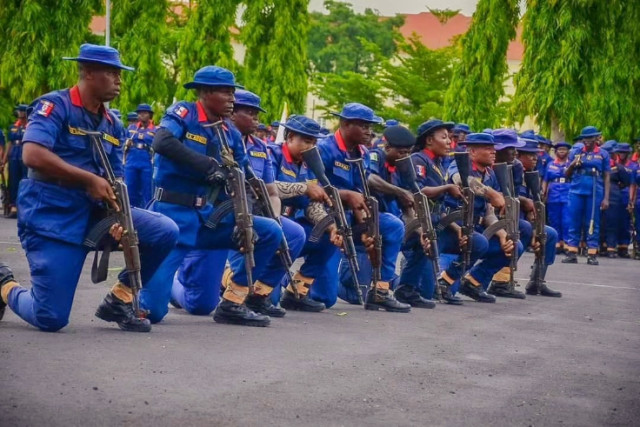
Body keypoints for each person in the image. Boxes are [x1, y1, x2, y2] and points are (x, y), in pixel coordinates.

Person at [0, 44, 179, 332]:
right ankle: (5, 285)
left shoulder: (113, 124)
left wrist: (120, 219)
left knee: (163, 230)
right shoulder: (55, 106)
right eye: (111, 73)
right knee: (51, 317)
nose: (119, 80)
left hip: (94, 216)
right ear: (88, 72)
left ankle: (120, 300)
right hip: (52, 218)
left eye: (120, 74)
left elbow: (116, 181)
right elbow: (32, 154)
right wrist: (88, 179)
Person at [142, 65, 284, 327]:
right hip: (173, 216)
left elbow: (244, 175)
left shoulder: (230, 132)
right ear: (205, 93)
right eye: (226, 92)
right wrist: (207, 166)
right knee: (152, 312)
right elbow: (161, 142)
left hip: (208, 218)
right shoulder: (184, 113)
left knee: (269, 231)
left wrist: (247, 216)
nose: (232, 99)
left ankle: (233, 302)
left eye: (233, 92)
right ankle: (162, 282)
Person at [170, 89, 306, 318]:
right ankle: (172, 287)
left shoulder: (260, 148)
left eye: (257, 114)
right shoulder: (213, 139)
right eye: (250, 113)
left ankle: (242, 297)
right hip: (214, 220)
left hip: (248, 216)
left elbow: (271, 191)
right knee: (201, 305)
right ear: (232, 114)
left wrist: (275, 221)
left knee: (289, 233)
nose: (257, 120)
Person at [315, 103, 410, 312]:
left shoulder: (363, 153)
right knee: (325, 298)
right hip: (326, 219)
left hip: (352, 218)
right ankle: (291, 283)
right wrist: (346, 195)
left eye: (370, 126)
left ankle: (381, 291)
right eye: (364, 126)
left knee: (392, 225)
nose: (370, 131)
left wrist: (366, 222)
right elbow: (312, 188)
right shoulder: (324, 149)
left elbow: (362, 186)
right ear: (346, 124)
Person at [269, 115, 342, 312]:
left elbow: (312, 205)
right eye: (307, 141)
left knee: (328, 236)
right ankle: (230, 279)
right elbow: (264, 188)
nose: (311, 147)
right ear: (290, 137)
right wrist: (303, 188)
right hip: (265, 226)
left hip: (292, 232)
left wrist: (330, 226)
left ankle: (297, 292)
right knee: (268, 299)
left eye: (314, 142)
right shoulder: (271, 154)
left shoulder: (309, 165)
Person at [410, 120, 487, 306]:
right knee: (426, 293)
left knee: (477, 242)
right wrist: (446, 188)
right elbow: (417, 193)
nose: (449, 142)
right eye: (444, 137)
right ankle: (398, 283)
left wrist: (456, 228)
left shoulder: (438, 163)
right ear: (429, 140)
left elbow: (441, 208)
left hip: (440, 224)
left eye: (449, 138)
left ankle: (446, 281)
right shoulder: (418, 160)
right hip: (421, 225)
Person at [445, 132, 523, 303]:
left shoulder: (489, 173)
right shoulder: (458, 165)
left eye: (493, 148)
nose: (493, 152)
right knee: (479, 242)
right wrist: (491, 193)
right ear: (472, 152)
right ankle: (445, 281)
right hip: (452, 226)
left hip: (476, 227)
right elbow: (463, 180)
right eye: (488, 149)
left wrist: (502, 234)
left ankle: (473, 282)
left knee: (513, 244)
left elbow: (489, 212)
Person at [365, 124, 438, 308]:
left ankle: (406, 289)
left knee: (424, 238)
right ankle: (381, 290)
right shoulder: (376, 156)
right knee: (340, 292)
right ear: (388, 147)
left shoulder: (402, 168)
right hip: (368, 223)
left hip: (393, 223)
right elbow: (370, 179)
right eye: (400, 152)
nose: (404, 156)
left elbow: (407, 208)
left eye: (407, 152)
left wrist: (420, 231)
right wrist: (399, 191)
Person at [516, 138, 562, 297]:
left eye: (536, 155)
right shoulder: (512, 171)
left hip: (525, 221)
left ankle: (537, 282)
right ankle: (500, 280)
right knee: (525, 229)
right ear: (519, 155)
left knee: (550, 234)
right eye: (531, 155)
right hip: (511, 221)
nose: (535, 158)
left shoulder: (530, 175)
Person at [562, 126, 611, 265]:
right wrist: (573, 164)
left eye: (590, 138)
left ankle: (592, 253)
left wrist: (606, 198)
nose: (587, 141)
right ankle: (572, 252)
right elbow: (566, 174)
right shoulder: (576, 152)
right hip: (576, 190)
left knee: (592, 222)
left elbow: (607, 176)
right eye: (585, 138)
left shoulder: (603, 154)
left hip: (595, 190)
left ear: (596, 138)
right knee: (574, 221)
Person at [604, 143, 633, 258]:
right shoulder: (599, 166)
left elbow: (627, 181)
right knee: (601, 223)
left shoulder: (618, 167)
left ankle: (611, 248)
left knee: (613, 223)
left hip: (614, 198)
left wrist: (616, 188)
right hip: (600, 195)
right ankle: (601, 246)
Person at [543, 142, 572, 253]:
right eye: (559, 149)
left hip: (567, 192)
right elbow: (545, 180)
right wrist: (543, 193)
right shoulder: (550, 164)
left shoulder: (571, 164)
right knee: (554, 219)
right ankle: (556, 243)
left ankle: (566, 243)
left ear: (568, 152)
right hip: (553, 194)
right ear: (555, 152)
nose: (561, 151)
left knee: (566, 220)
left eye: (564, 149)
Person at [124, 103, 155, 208]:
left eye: (144, 113)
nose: (141, 115)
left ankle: (147, 212)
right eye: (139, 113)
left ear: (150, 115)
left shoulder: (155, 130)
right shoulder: (131, 128)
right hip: (132, 160)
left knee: (147, 190)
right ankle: (131, 212)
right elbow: (123, 143)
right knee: (130, 188)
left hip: (146, 161)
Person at [4, 104, 28, 218]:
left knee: (25, 180)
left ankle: (23, 206)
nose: (19, 113)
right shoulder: (13, 126)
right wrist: (4, 159)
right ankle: (13, 206)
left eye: (21, 111)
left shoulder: (30, 125)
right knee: (13, 181)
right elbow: (9, 143)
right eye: (19, 111)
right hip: (14, 155)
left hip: (25, 155)